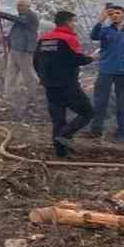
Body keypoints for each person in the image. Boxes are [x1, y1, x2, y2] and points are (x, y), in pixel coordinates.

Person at [33, 9, 96, 157]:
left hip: (49, 86)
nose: (75, 24)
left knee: (58, 119)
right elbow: (75, 59)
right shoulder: (69, 39)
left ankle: (60, 153)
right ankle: (66, 135)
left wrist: (43, 77)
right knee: (87, 112)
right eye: (74, 21)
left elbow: (35, 61)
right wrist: (90, 58)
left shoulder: (44, 38)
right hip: (68, 85)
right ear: (68, 22)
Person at [89, 4, 124, 141]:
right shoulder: (105, 31)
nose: (115, 15)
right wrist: (101, 19)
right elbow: (93, 36)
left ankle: (122, 132)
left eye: (118, 13)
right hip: (106, 71)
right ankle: (96, 129)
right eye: (112, 14)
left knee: (122, 103)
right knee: (101, 101)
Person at [0, 0, 39, 103]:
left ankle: (33, 95)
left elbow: (18, 20)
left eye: (21, 5)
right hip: (15, 49)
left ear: (28, 6)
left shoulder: (30, 16)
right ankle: (8, 95)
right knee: (10, 73)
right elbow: (19, 32)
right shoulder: (21, 18)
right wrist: (7, 38)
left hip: (24, 50)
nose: (18, 8)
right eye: (17, 6)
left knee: (28, 74)